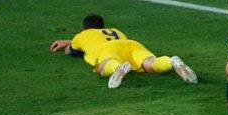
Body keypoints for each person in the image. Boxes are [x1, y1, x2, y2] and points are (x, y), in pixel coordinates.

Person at [50, 14, 197, 89]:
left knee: (103, 67)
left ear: (84, 29)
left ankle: (118, 68)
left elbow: (71, 51)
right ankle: (172, 62)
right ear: (103, 26)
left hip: (107, 50)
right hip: (130, 44)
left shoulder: (81, 36)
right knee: (151, 65)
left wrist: (68, 42)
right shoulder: (114, 30)